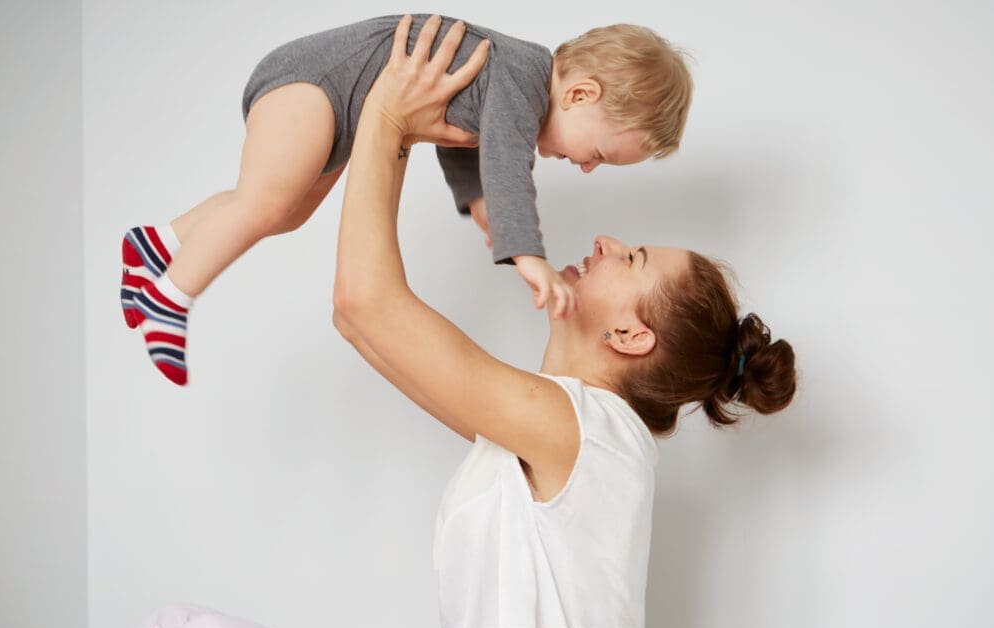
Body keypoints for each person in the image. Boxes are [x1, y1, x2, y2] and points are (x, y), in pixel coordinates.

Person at [87, 20, 794, 628]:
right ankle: (162, 265)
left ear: (631, 337)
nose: (606, 240)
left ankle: (164, 271)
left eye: (633, 257)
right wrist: (403, 135)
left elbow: (364, 303)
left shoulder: (591, 436)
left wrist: (387, 119)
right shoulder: (545, 432)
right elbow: (363, 319)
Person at [120, 14, 694, 385]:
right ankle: (168, 296)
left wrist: (475, 200)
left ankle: (158, 243)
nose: (588, 167)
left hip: (336, 105)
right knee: (265, 204)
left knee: (285, 213)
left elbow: (461, 134)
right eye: (598, 152)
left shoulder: (514, 85)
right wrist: (528, 252)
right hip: (317, 84)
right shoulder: (524, 78)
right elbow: (505, 161)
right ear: (579, 93)